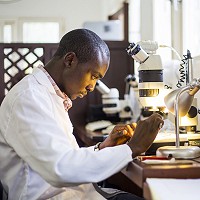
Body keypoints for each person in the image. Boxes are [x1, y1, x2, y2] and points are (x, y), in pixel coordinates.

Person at [0, 28, 164, 200]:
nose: (92, 87)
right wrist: (132, 147)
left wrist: (102, 148)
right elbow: (61, 169)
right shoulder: (28, 98)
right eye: (93, 76)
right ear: (70, 60)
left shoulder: (48, 95)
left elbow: (67, 156)